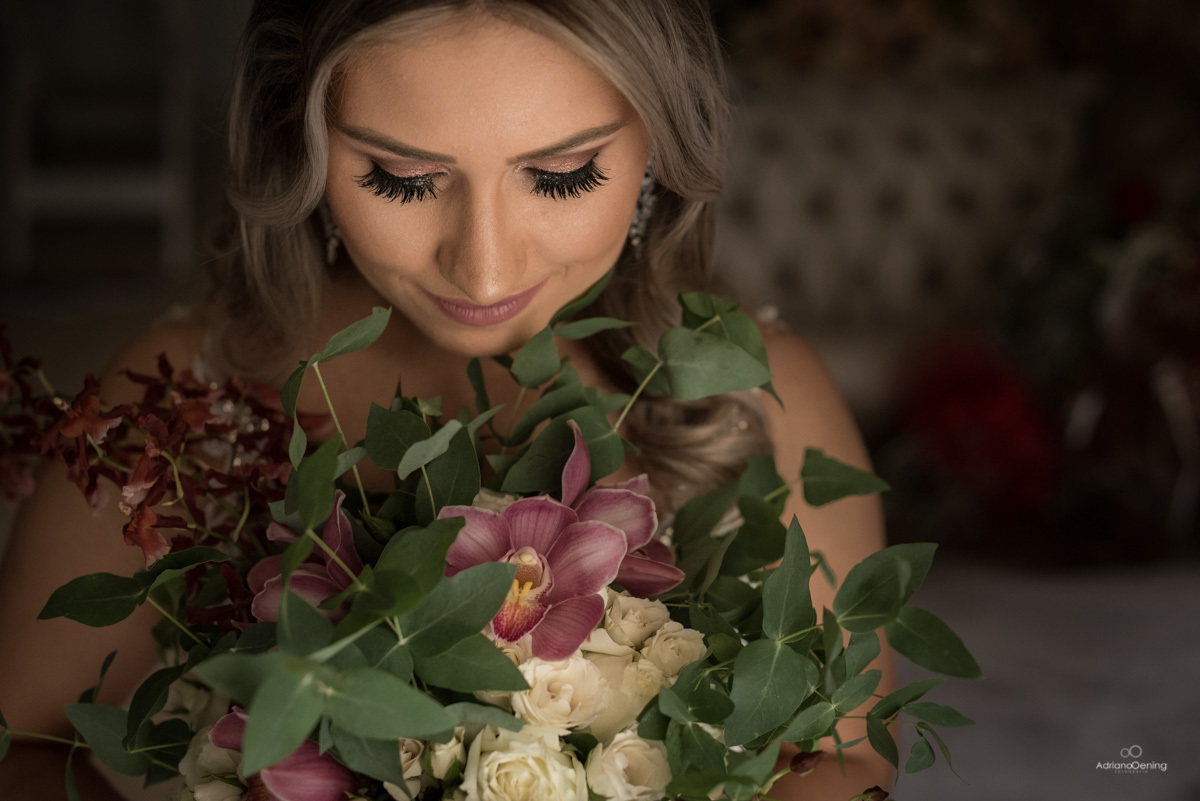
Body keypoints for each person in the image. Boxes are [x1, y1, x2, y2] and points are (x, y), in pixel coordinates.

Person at [0, 1, 895, 798]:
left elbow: (850, 759)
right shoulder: (177, 400)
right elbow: (20, 744)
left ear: (659, 140)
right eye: (399, 178)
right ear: (298, 140)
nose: (484, 269)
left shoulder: (759, 396)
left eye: (564, 174)